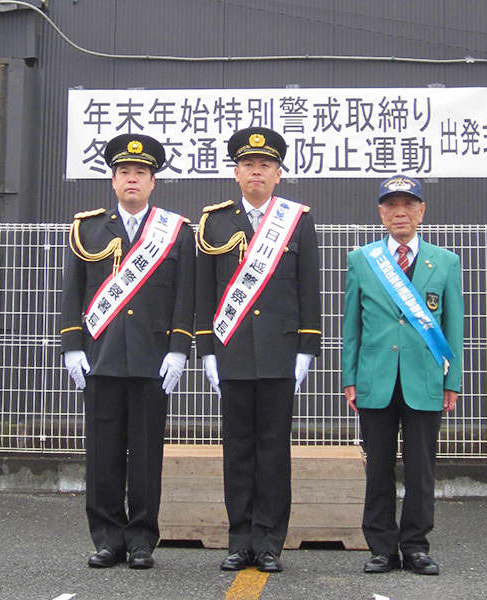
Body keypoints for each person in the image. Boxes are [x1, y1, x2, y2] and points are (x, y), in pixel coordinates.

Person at [59, 133, 195, 570]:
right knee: (102, 453)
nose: (131, 179)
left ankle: (141, 540)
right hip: (100, 358)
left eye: (140, 173)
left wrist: (178, 349)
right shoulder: (88, 227)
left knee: (146, 454)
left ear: (153, 182)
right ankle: (107, 538)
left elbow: (184, 296)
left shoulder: (175, 231)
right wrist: (71, 346)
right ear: (113, 181)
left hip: (152, 360)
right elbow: (73, 292)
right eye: (124, 173)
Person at [195, 127, 322, 573]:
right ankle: (239, 540)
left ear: (278, 174)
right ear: (236, 172)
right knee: (237, 450)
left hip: (279, 353)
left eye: (265, 165)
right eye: (248, 164)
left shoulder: (297, 219)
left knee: (274, 450)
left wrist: (307, 347)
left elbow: (309, 287)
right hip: (231, 352)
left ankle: (269, 542)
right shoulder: (214, 221)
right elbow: (204, 291)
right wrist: (206, 350)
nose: (256, 172)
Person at [341, 175, 463, 576]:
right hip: (375, 379)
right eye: (391, 205)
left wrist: (452, 380)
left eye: (408, 204)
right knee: (377, 467)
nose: (400, 212)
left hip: (425, 379)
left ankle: (415, 546)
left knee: (420, 468)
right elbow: (352, 325)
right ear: (380, 212)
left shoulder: (445, 261)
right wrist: (349, 377)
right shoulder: (362, 259)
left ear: (421, 211)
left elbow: (454, 327)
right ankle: (380, 547)